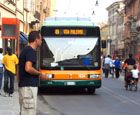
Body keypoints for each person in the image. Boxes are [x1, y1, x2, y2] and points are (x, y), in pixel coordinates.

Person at [18, 31, 46, 115]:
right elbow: (28, 68)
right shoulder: (31, 51)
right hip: (29, 88)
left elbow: (18, 70)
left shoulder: (25, 50)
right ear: (36, 40)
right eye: (41, 39)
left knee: (24, 111)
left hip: (24, 86)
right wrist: (39, 74)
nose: (41, 41)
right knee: (29, 112)